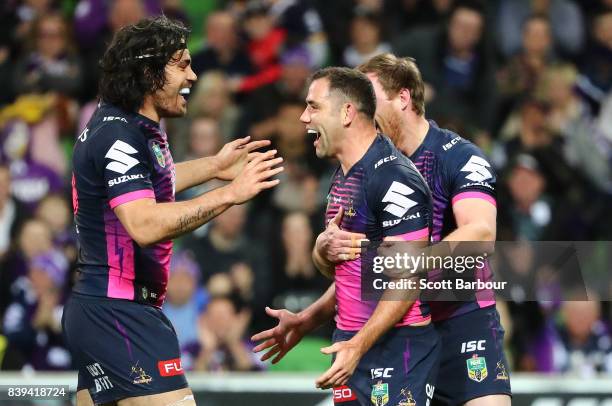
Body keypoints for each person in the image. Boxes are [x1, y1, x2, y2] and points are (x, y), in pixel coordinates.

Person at [253, 54, 511, 406]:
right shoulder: (361, 170)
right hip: (395, 328)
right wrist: (309, 315)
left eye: (370, 98)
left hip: (462, 322)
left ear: (403, 98)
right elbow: (360, 270)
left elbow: (480, 234)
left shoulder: (459, 157)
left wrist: (397, 261)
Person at [62, 16, 283, 406]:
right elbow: (144, 224)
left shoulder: (131, 127)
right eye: (182, 63)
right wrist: (229, 194)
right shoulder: (119, 136)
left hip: (110, 310)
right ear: (148, 72)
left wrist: (213, 167)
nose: (193, 76)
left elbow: (150, 183)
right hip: (120, 313)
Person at [254, 67, 440, 405]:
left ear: (346, 112)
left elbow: (408, 280)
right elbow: (349, 271)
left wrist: (358, 344)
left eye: (313, 106)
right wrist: (308, 317)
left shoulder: (394, 179)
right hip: (351, 344)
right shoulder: (343, 176)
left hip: (397, 350)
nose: (303, 117)